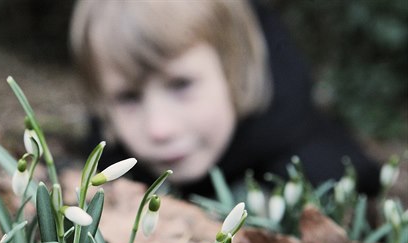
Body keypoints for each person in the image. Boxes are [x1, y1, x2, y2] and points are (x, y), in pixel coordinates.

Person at [69, 0, 380, 198]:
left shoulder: (309, 166)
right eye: (128, 98)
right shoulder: (107, 160)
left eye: (181, 85)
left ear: (234, 71)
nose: (159, 128)